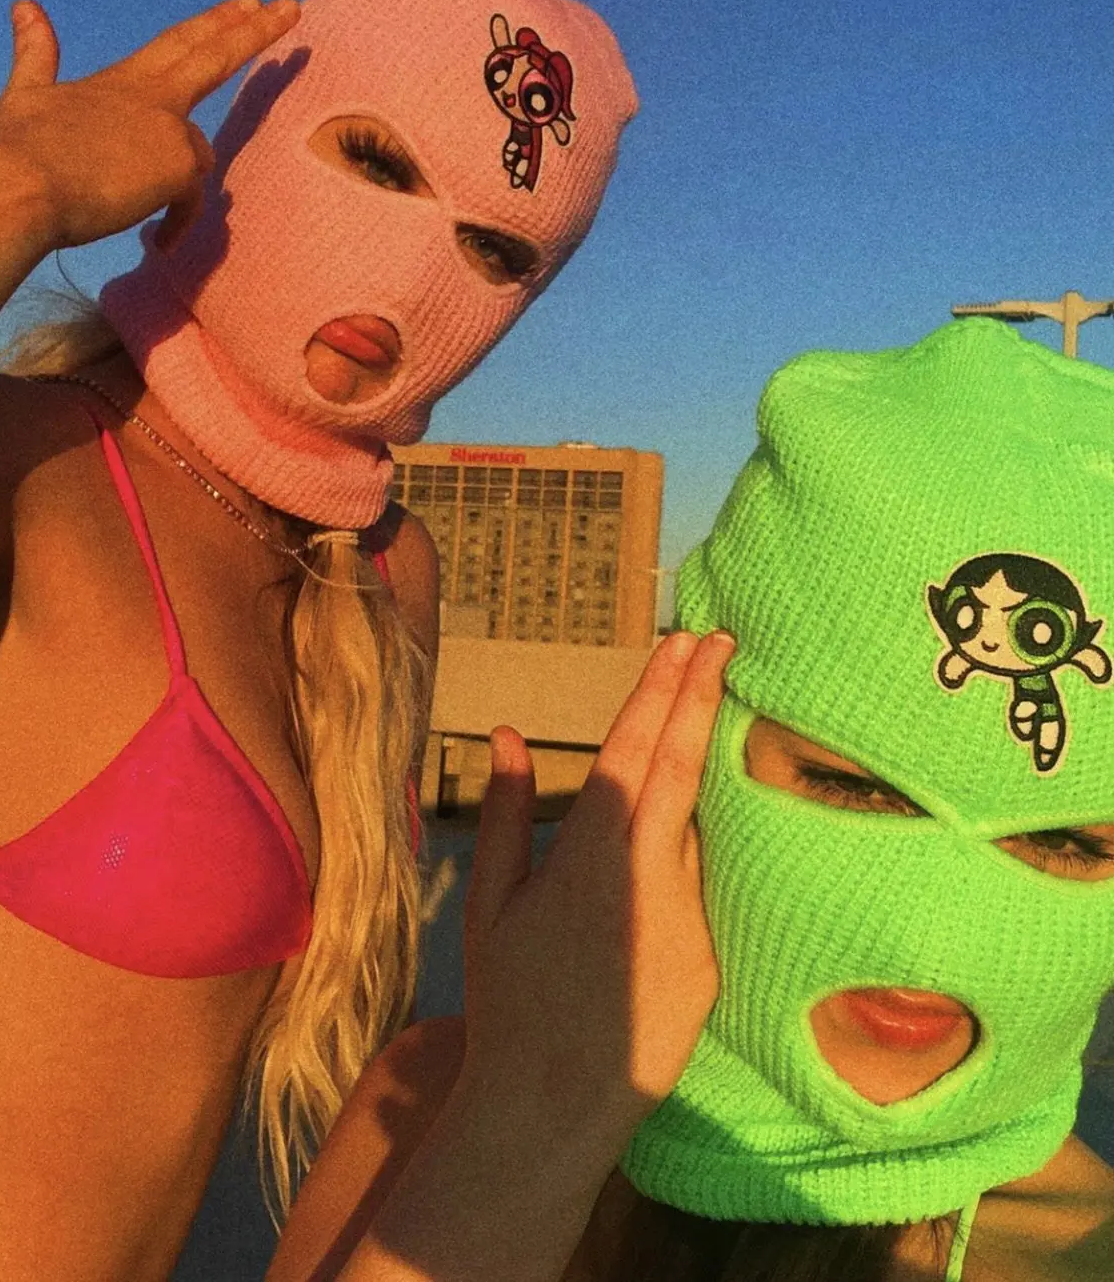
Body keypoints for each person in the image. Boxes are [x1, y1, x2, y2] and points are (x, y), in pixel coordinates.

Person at [0, 0, 637, 1281]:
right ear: (242, 150)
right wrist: (16, 189)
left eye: (496, 248)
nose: (411, 272)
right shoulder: (34, 467)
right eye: (378, 161)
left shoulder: (384, 572)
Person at [266, 318, 1114, 1282]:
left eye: (1067, 841)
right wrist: (522, 1131)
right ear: (692, 737)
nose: (932, 934)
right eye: (852, 786)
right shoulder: (430, 1112)